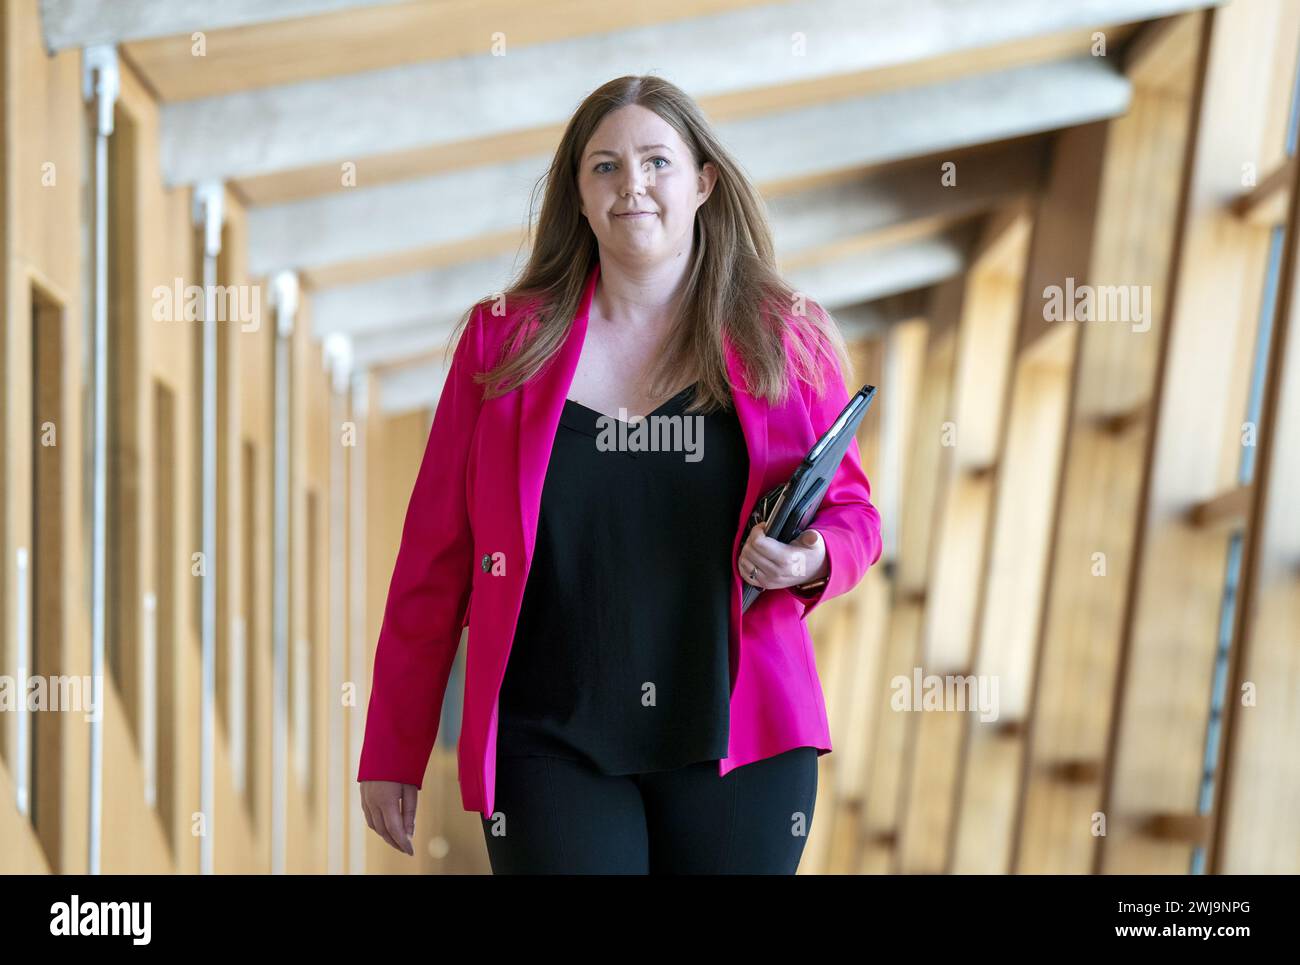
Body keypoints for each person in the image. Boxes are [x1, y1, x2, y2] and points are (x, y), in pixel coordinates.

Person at [358, 74, 883, 874]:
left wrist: (809, 558)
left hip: (738, 743)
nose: (630, 184)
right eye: (604, 166)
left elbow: (853, 513)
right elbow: (436, 555)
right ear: (577, 191)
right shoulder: (502, 342)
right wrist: (394, 745)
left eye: (655, 162)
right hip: (549, 742)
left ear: (703, 181)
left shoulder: (783, 335)